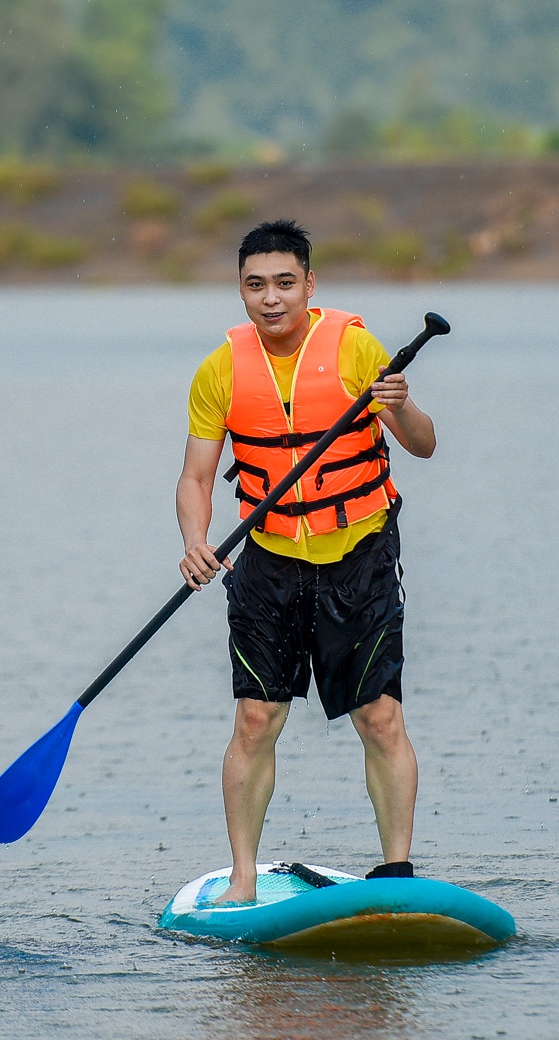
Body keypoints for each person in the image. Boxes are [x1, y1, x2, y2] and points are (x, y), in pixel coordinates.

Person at [175, 219, 437, 904]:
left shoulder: (355, 349)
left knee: (379, 715)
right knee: (255, 720)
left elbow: (424, 444)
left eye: (285, 283)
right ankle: (241, 878)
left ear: (310, 285)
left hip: (359, 553)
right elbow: (197, 478)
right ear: (239, 290)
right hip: (267, 561)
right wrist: (195, 541)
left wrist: (401, 409)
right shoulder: (220, 370)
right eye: (256, 285)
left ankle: (397, 872)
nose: (271, 298)